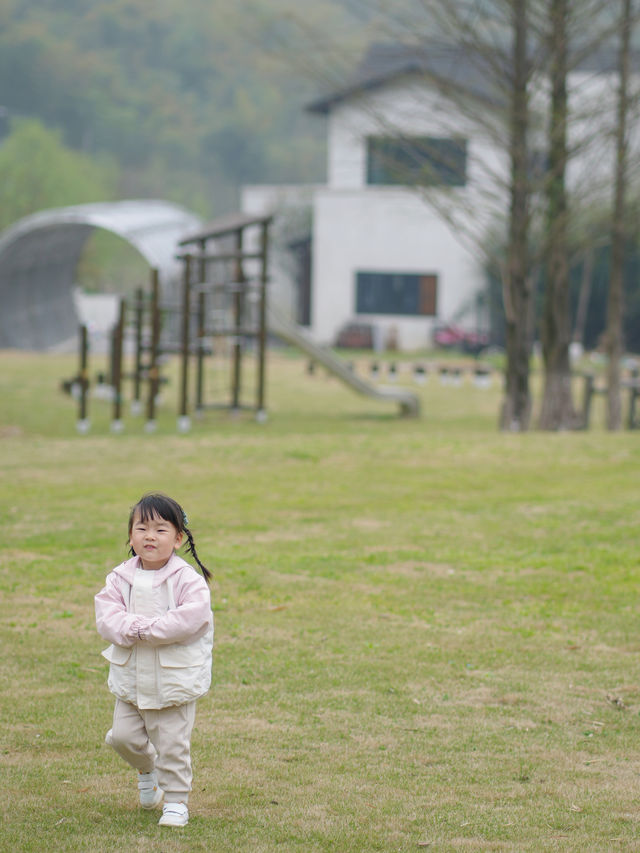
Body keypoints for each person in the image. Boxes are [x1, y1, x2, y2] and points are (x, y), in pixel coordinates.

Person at [95, 492, 213, 828]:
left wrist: (150, 630)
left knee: (172, 743)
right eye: (142, 528)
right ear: (130, 536)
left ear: (178, 539)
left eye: (161, 530)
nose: (150, 536)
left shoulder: (186, 579)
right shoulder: (121, 577)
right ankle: (148, 770)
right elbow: (106, 614)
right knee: (123, 737)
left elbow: (192, 617)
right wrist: (131, 626)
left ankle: (176, 801)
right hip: (132, 677)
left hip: (172, 678)